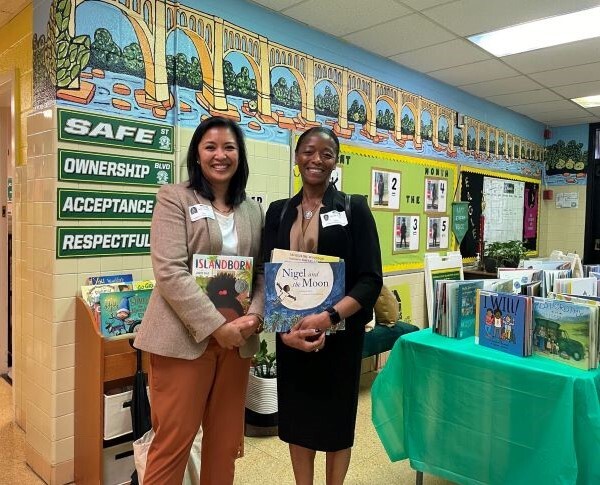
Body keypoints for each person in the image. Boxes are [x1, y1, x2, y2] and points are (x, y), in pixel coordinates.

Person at [134, 116, 265, 485]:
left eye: (229, 147)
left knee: (225, 446)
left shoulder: (252, 210)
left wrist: (253, 318)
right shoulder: (174, 197)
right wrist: (216, 327)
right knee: (173, 445)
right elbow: (170, 272)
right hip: (182, 342)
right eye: (210, 147)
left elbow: (259, 274)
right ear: (197, 154)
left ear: (240, 155)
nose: (220, 155)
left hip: (236, 344)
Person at [264, 126, 382, 484]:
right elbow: (266, 274)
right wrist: (284, 333)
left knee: (335, 422)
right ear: (297, 157)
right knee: (299, 421)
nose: (316, 159)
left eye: (326, 154)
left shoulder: (353, 208)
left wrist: (329, 316)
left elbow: (370, 280)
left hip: (339, 338)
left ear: (335, 162)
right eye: (309, 151)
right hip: (292, 338)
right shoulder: (278, 212)